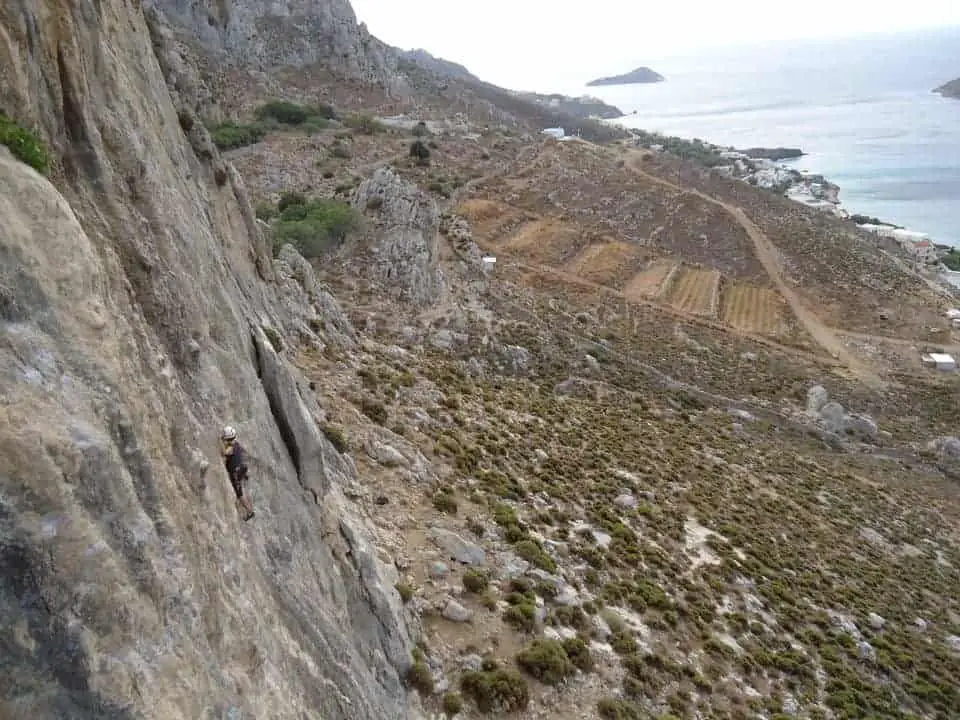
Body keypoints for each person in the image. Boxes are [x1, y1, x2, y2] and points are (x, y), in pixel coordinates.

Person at [221, 425, 255, 521]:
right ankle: (244, 477)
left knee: (239, 495)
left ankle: (249, 511)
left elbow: (224, 452)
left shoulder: (231, 447)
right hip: (242, 468)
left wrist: (220, 443)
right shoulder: (237, 444)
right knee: (240, 483)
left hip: (237, 472)